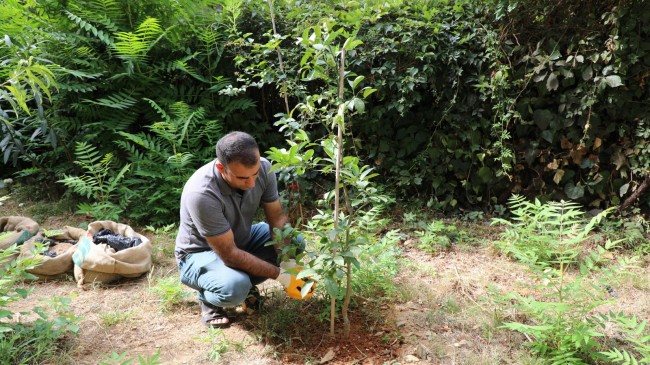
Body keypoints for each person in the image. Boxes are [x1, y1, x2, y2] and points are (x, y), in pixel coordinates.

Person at [174, 131, 311, 328]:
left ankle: (244, 283)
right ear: (222, 168)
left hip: (239, 240)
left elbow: (277, 217)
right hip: (199, 253)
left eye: (254, 174)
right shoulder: (201, 193)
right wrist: (281, 275)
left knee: (295, 243)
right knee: (234, 287)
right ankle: (210, 297)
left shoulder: (264, 167)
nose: (252, 183)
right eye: (242, 178)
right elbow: (229, 254)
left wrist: (288, 262)